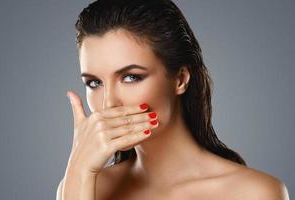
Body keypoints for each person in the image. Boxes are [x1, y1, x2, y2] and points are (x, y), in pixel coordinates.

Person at [57, 0, 290, 199]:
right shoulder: (85, 186)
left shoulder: (252, 193)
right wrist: (79, 170)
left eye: (131, 77)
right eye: (94, 83)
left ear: (180, 79)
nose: (108, 104)